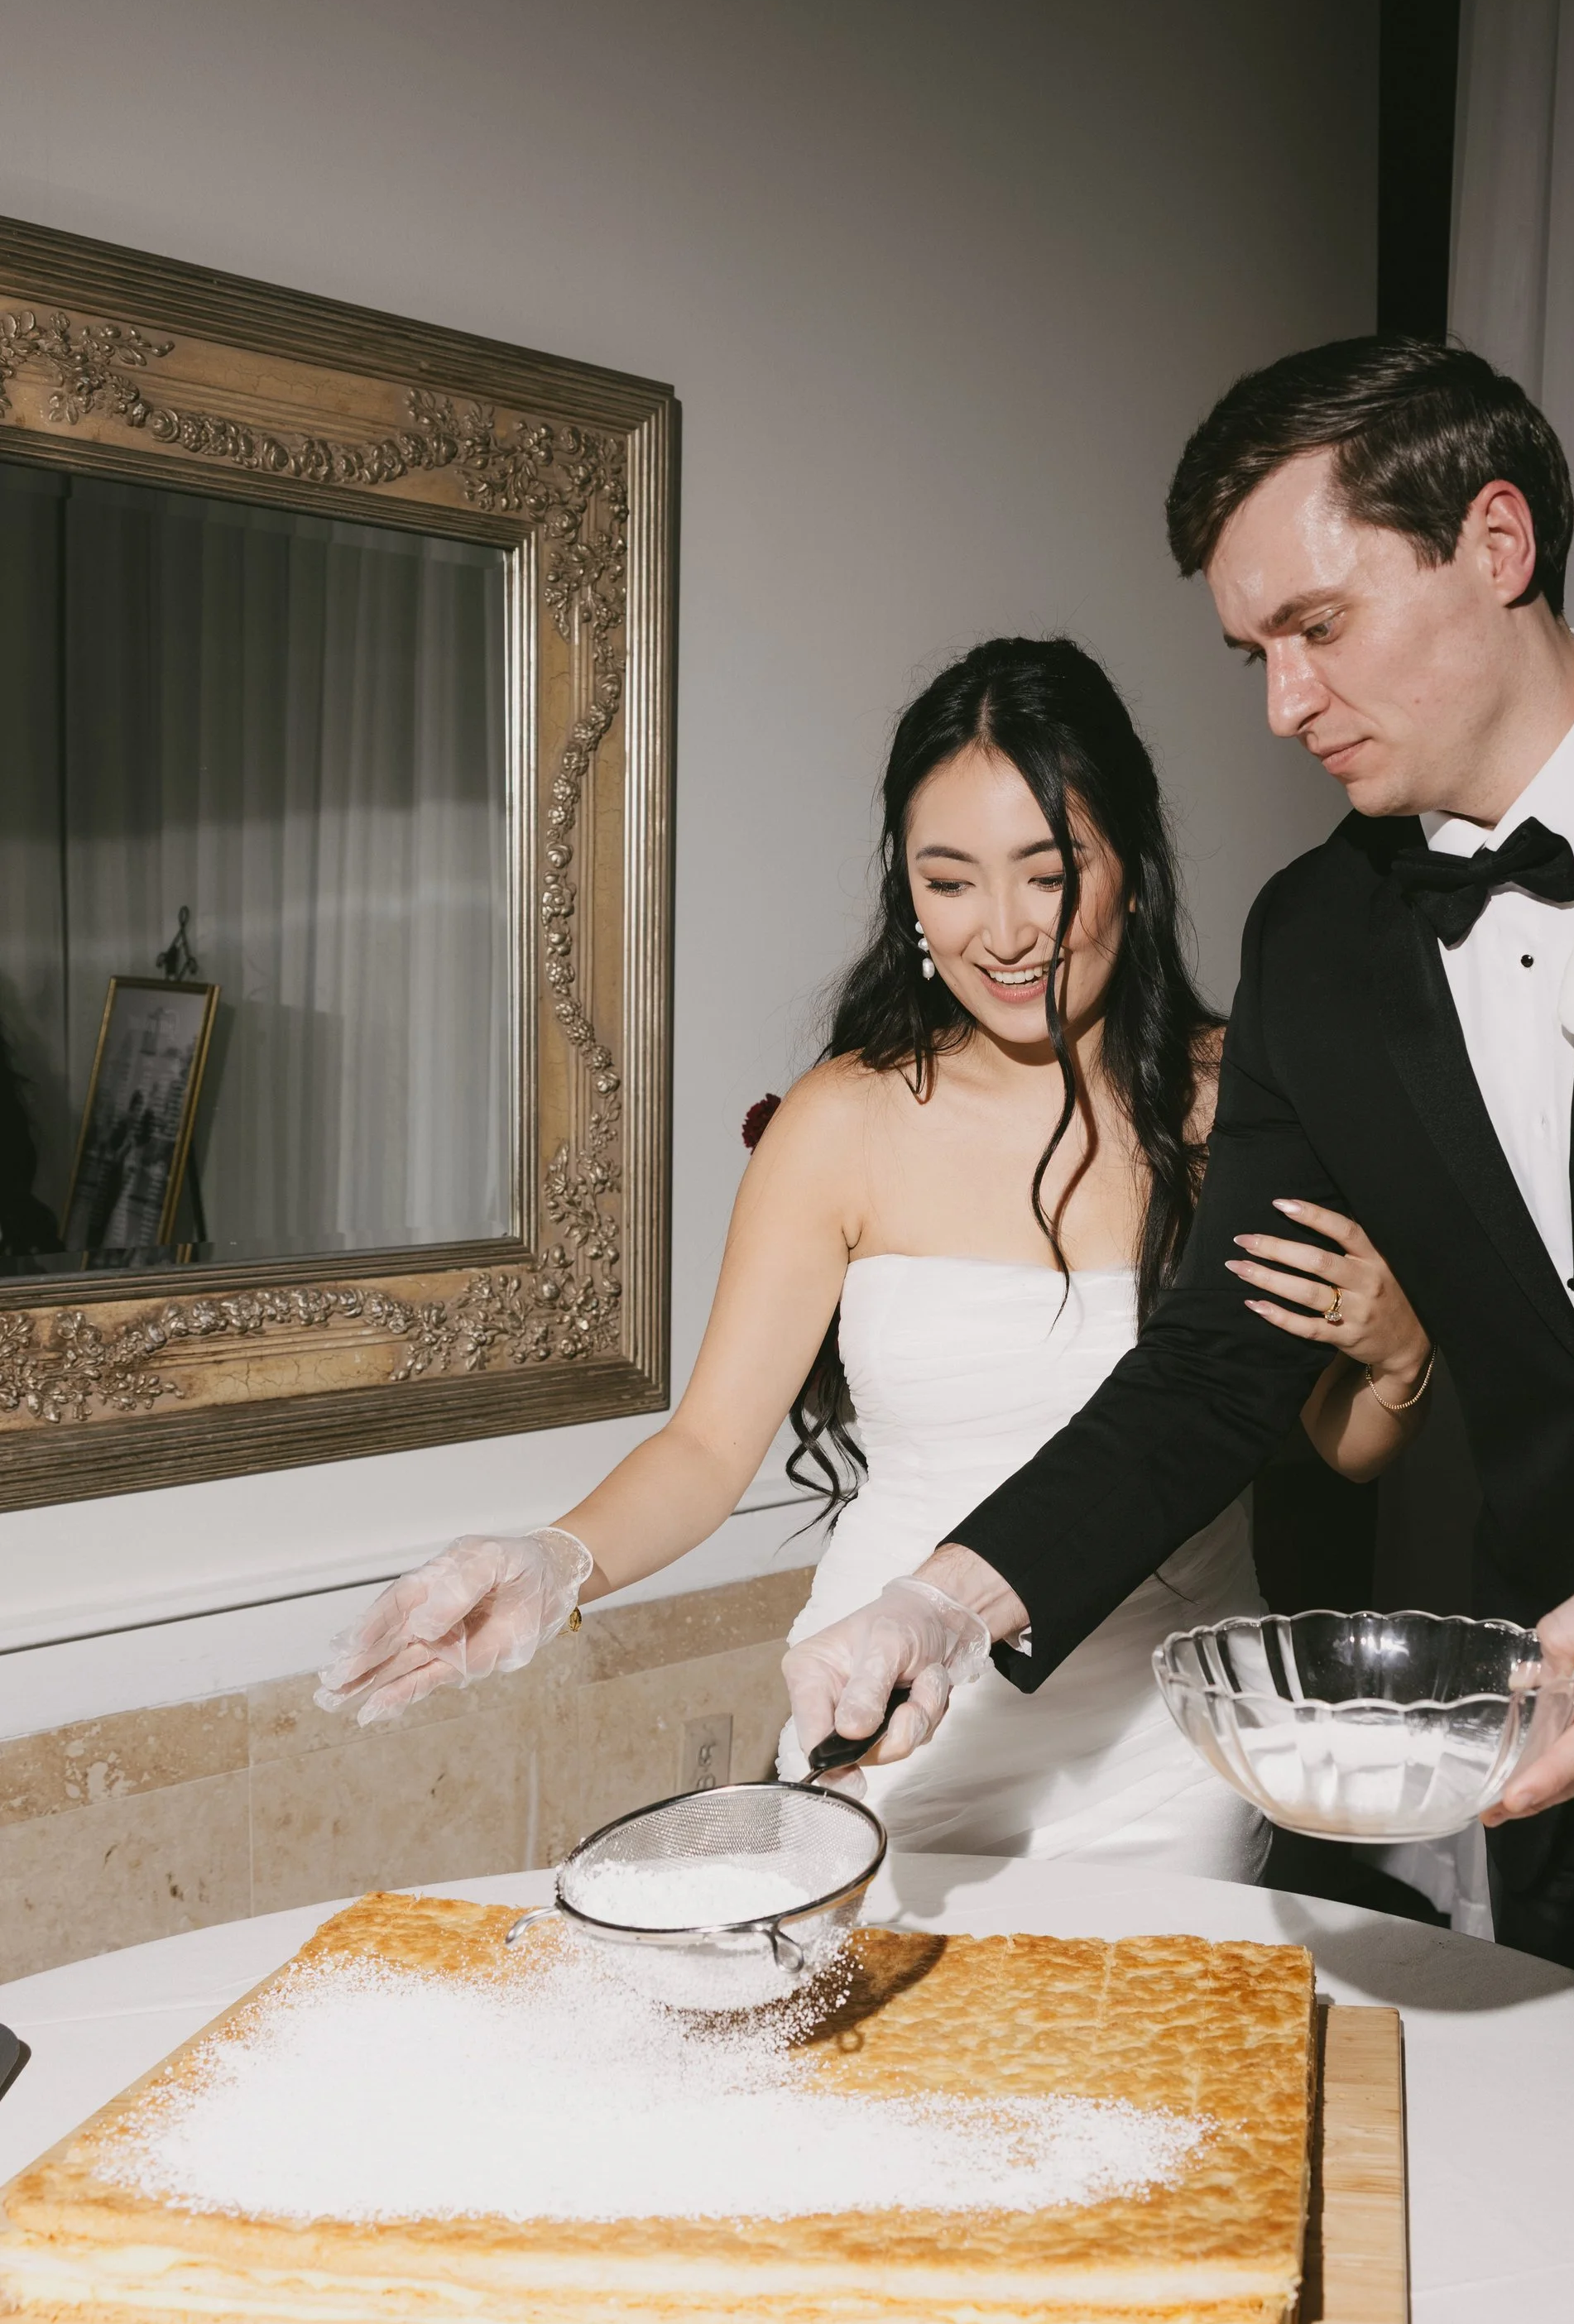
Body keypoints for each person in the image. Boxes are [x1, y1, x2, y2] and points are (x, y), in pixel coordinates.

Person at [785, 342, 1574, 2264]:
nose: (1282, 703)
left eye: (1315, 627)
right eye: (1251, 654)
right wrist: (943, 1602)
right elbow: (1214, 1367)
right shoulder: (1316, 942)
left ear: (1494, 539)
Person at [317, 635, 1432, 1875]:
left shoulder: (1237, 1106)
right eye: (949, 881)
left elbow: (1321, 1440)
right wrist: (551, 1561)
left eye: (1048, 875)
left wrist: (1400, 1360)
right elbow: (707, 1447)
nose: (1003, 932)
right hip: (887, 1714)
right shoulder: (840, 1121)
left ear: (1131, 866)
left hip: (1167, 1750)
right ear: (907, 893)